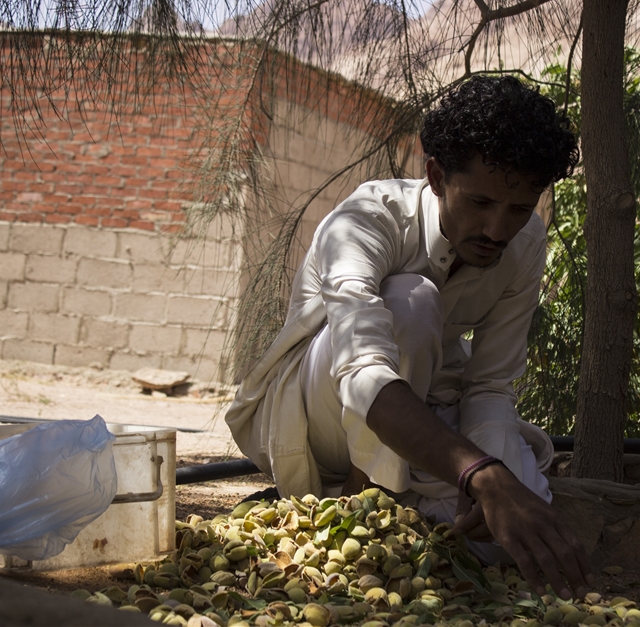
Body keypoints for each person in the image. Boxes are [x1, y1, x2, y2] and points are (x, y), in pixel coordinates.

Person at [225, 75, 593, 600]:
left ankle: (406, 502)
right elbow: (363, 373)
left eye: (518, 208)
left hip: (422, 408)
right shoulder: (366, 221)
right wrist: (483, 477)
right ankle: (363, 499)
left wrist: (495, 488)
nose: (496, 229)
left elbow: (489, 387)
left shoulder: (525, 243)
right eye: (481, 202)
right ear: (438, 176)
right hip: (318, 410)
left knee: (507, 531)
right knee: (413, 303)